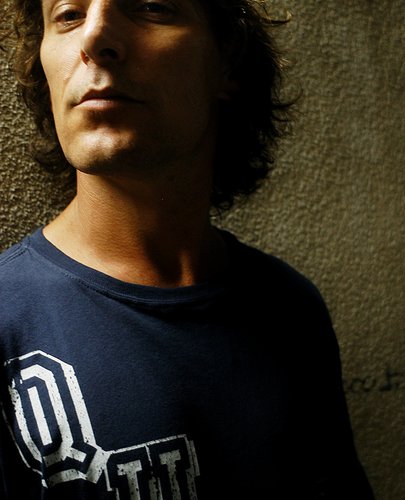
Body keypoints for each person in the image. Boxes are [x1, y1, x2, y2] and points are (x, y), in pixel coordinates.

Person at [0, 0, 374, 498]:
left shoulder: (291, 309)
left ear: (227, 60)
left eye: (150, 6)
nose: (94, 37)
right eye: (69, 14)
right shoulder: (7, 320)